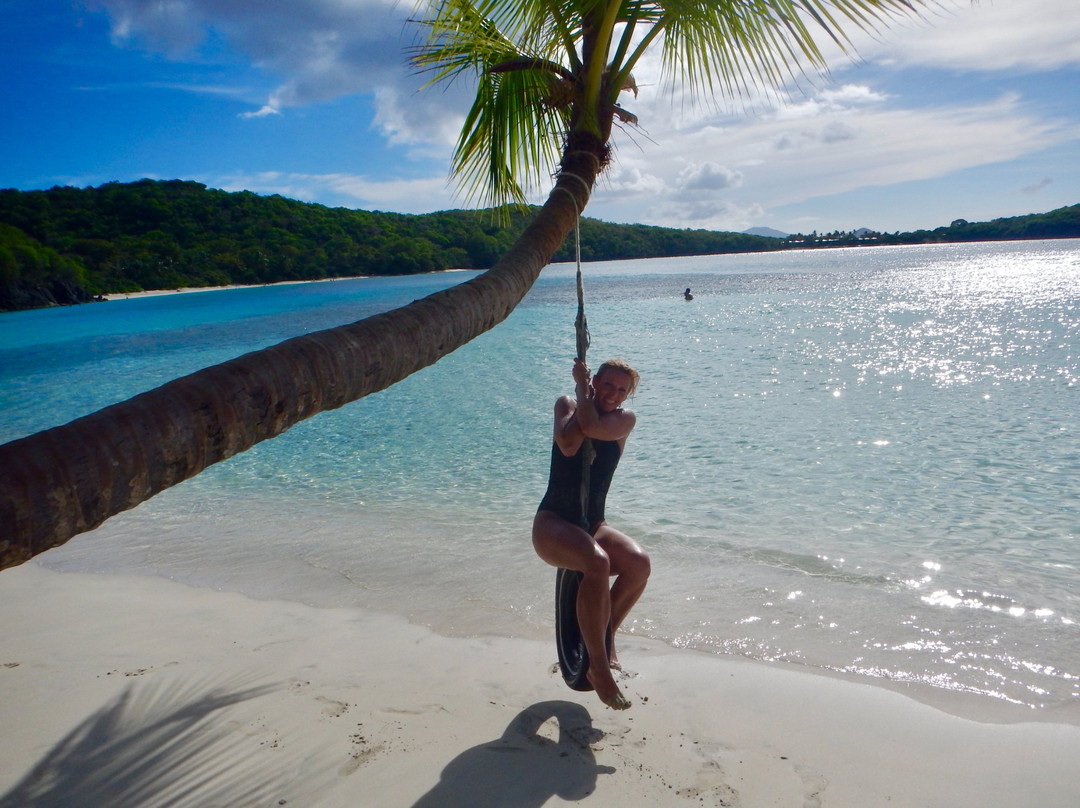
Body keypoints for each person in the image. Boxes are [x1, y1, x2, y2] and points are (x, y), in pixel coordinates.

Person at [533, 358, 651, 710]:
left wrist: (586, 391)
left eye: (622, 390)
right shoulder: (566, 405)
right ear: (595, 380)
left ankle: (605, 634)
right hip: (553, 523)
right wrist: (581, 391)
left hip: (593, 525)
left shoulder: (624, 420)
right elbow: (569, 444)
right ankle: (598, 669)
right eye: (608, 385)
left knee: (639, 564)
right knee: (596, 563)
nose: (614, 394)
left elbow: (594, 426)